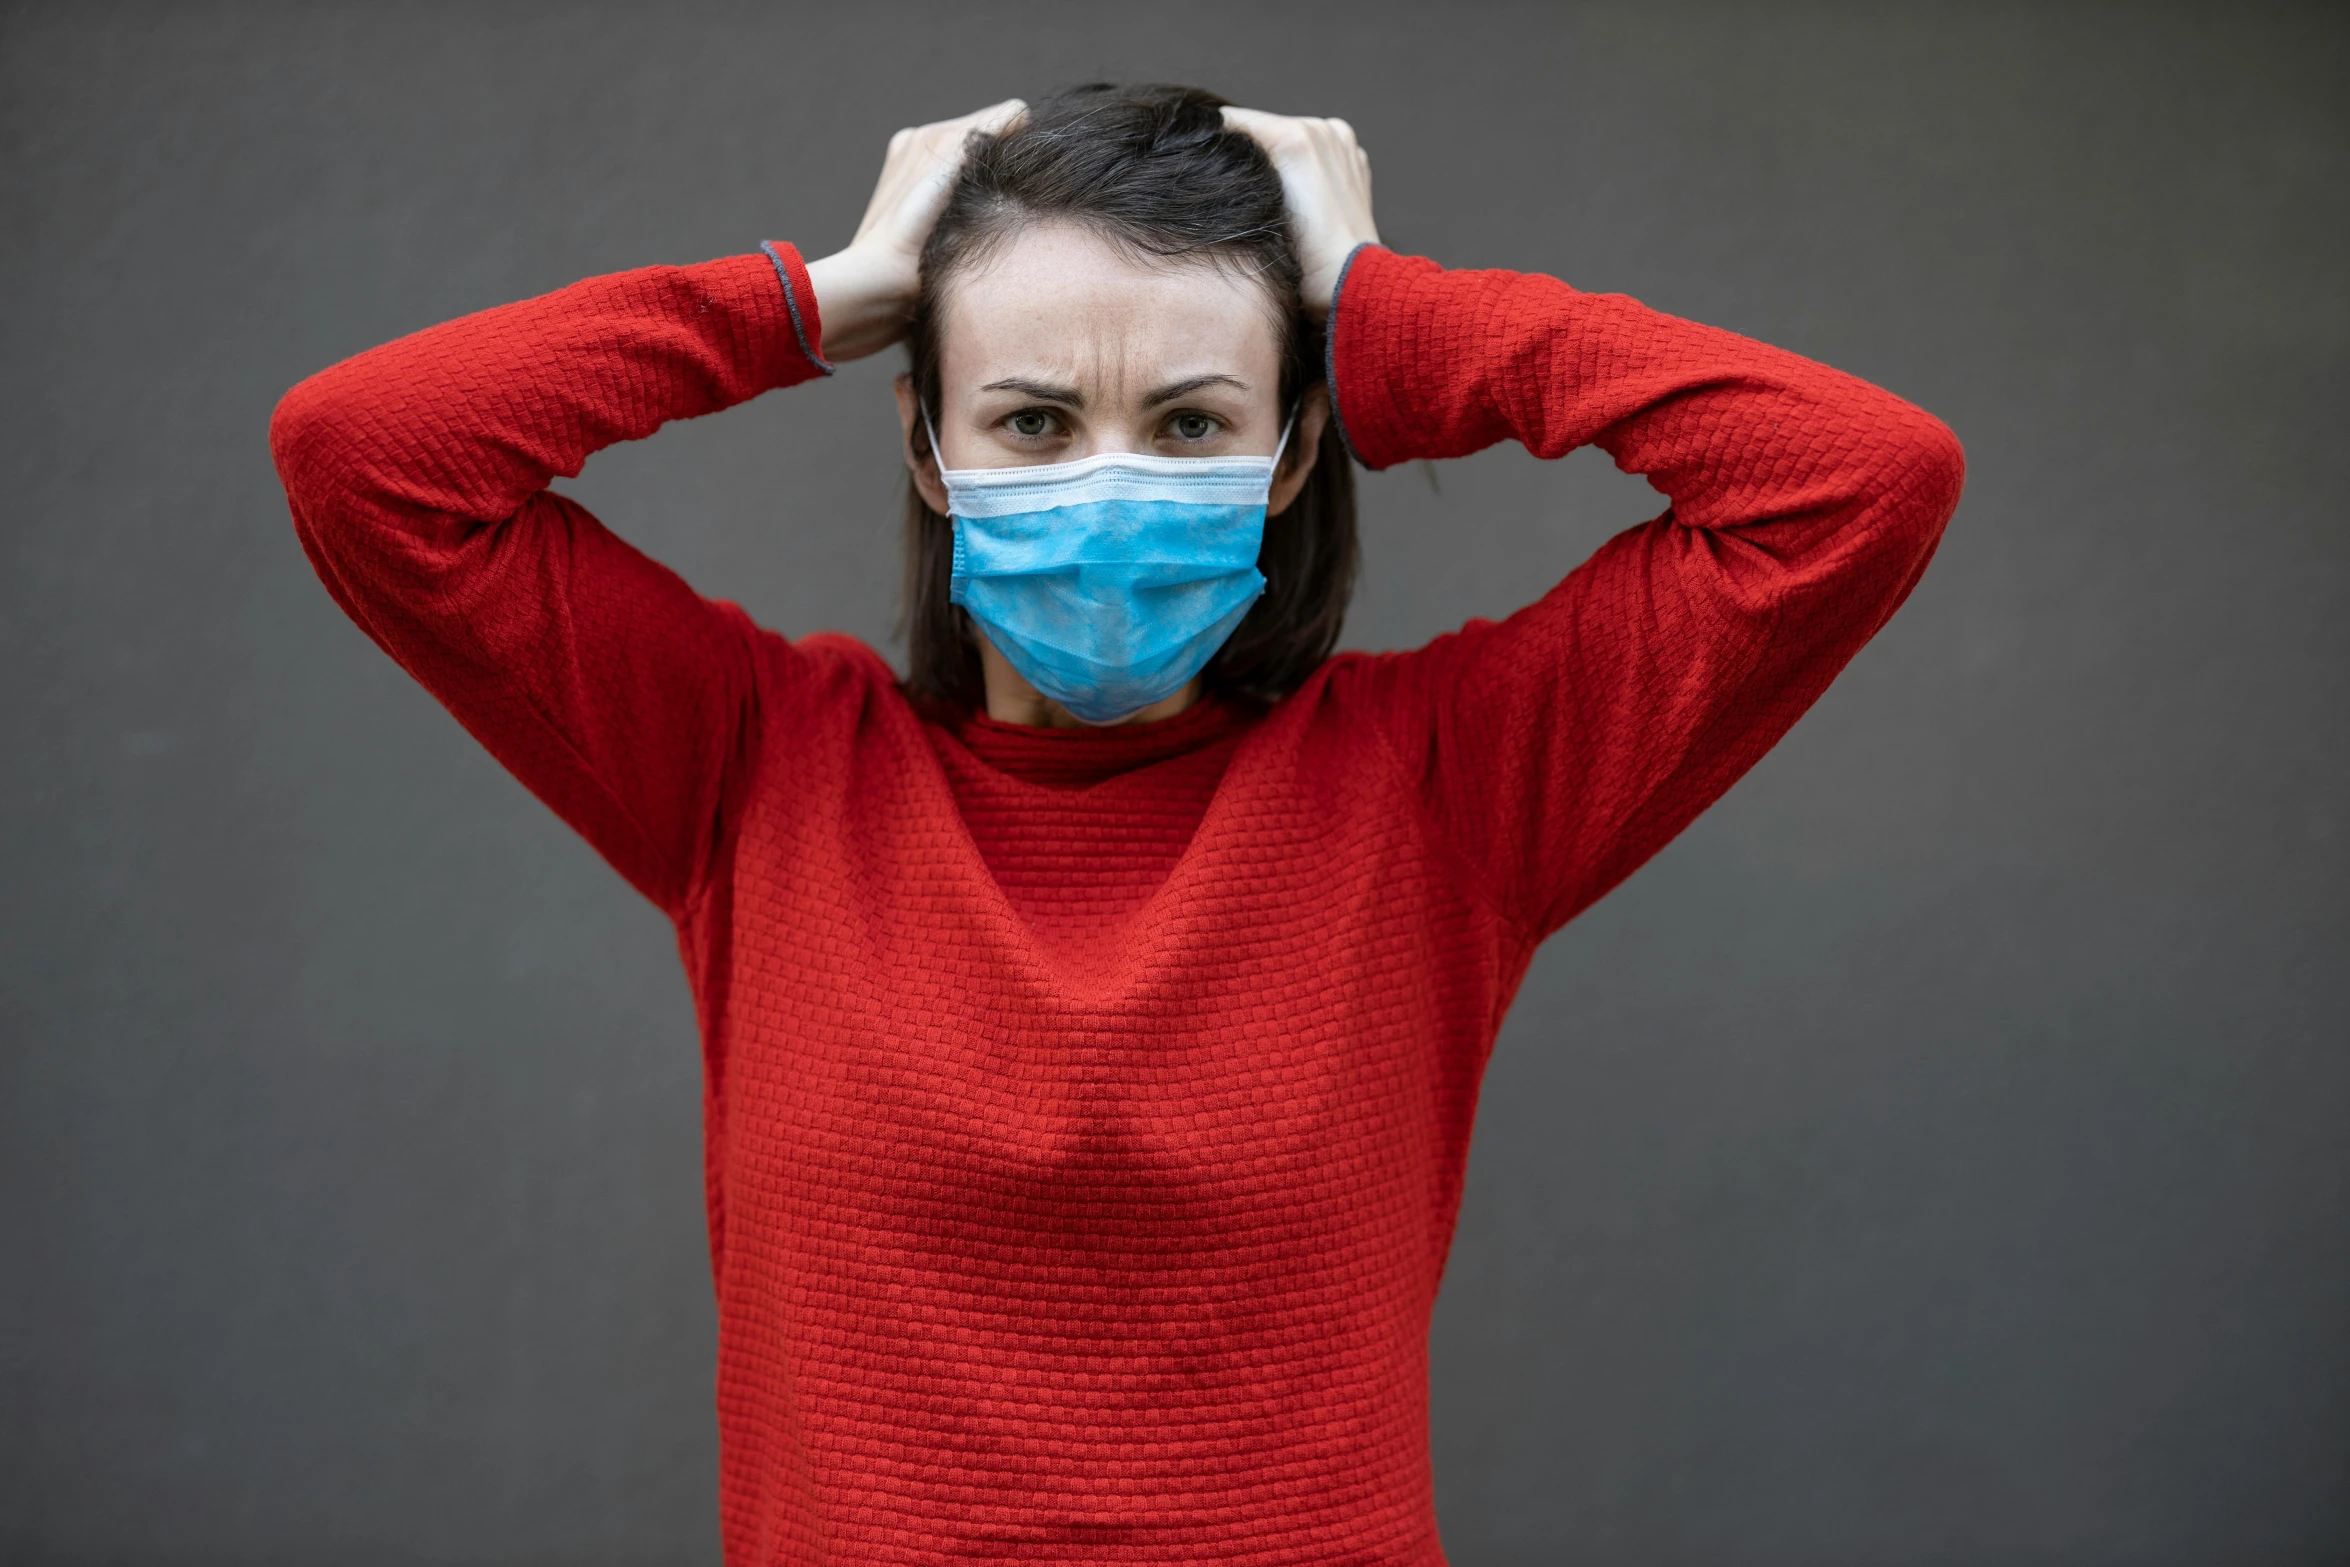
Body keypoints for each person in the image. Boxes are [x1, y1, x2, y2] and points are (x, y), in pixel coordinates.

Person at [272, 83, 1962, 1563]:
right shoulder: (754, 766)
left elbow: (1855, 482)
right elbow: (364, 458)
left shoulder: (1445, 787)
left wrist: (1387, 311)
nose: (1105, 481)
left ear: (1291, 452)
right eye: (1027, 418)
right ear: (927, 443)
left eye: (1189, 422)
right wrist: (809, 299)